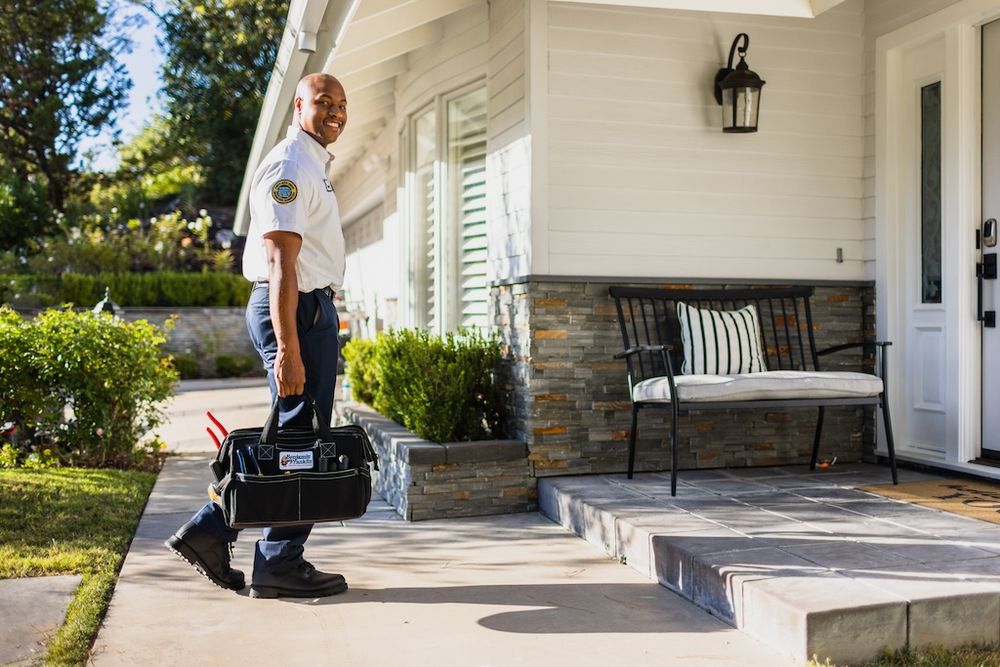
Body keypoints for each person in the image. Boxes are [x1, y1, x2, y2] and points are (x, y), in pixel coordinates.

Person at [165, 73, 350, 599]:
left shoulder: (312, 165)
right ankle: (272, 559)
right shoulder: (290, 166)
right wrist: (289, 348)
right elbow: (279, 261)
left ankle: (225, 537)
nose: (335, 112)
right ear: (298, 107)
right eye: (323, 102)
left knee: (297, 436)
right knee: (299, 441)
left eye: (341, 104)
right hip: (295, 311)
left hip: (310, 309)